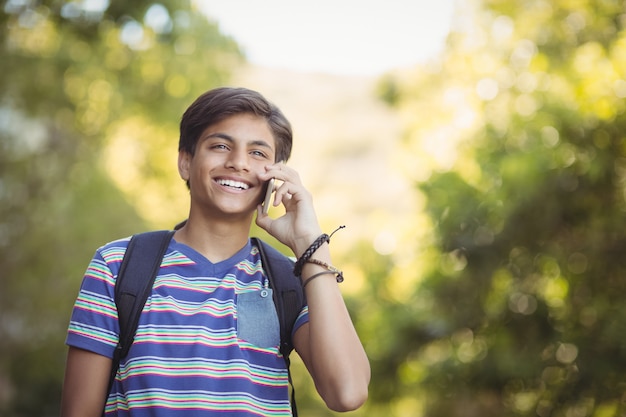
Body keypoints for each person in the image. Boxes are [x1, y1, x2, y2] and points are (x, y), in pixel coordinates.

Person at [61, 87, 371, 416]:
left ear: (275, 178)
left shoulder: (292, 279)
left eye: (258, 153)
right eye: (220, 146)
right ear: (185, 161)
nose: (238, 162)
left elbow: (347, 393)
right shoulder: (117, 266)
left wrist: (309, 242)